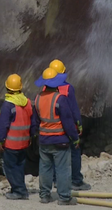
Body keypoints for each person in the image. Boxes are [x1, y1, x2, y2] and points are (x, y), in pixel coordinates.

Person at [32, 68, 80, 205]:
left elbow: (35, 121)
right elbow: (68, 122)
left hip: (44, 141)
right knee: (63, 169)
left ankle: (44, 195)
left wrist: (35, 136)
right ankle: (64, 197)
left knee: (45, 168)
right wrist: (75, 138)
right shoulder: (60, 99)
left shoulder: (38, 98)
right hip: (60, 141)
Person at [49, 59, 91, 191]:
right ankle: (76, 181)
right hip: (67, 128)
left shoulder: (45, 89)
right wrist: (78, 125)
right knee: (74, 151)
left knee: (55, 154)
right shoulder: (68, 88)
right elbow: (74, 110)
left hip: (52, 128)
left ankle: (56, 180)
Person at [0, 74, 33, 200]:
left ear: (7, 88)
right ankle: (19, 188)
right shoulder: (27, 102)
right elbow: (32, 121)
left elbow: (3, 126)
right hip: (24, 143)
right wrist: (31, 137)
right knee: (19, 166)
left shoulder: (8, 105)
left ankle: (19, 191)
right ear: (20, 87)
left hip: (11, 144)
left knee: (10, 168)